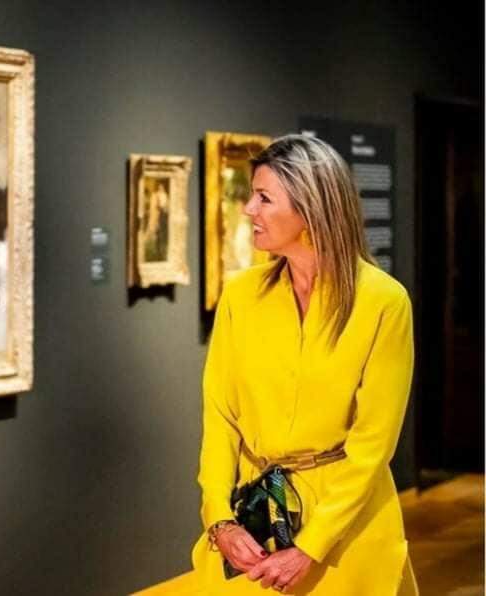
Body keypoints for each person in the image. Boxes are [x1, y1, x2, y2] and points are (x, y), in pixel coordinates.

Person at [191, 135, 419, 595]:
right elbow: (220, 419)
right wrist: (220, 519)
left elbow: (373, 446)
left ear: (311, 209)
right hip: (255, 519)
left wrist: (311, 545)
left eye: (264, 197)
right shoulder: (240, 296)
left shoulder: (384, 303)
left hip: (349, 532)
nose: (247, 209)